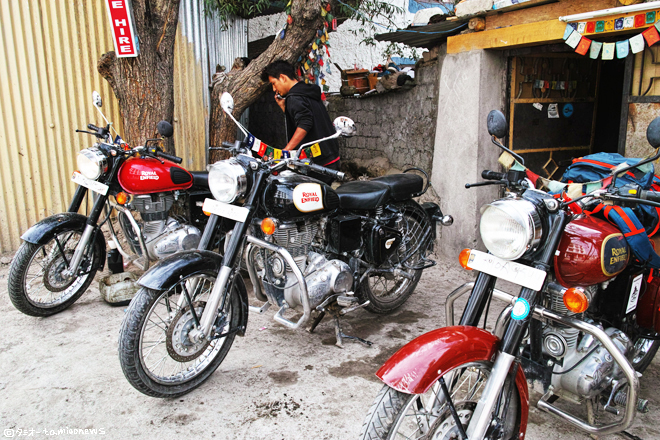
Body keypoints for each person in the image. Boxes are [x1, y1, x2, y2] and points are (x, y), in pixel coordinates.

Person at [261, 60, 341, 184]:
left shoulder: (294, 97)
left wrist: (285, 152)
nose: (274, 89)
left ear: (282, 78)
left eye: (273, 83)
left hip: (317, 162)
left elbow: (305, 124)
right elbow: (304, 118)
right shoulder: (307, 91)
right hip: (331, 156)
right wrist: (284, 108)